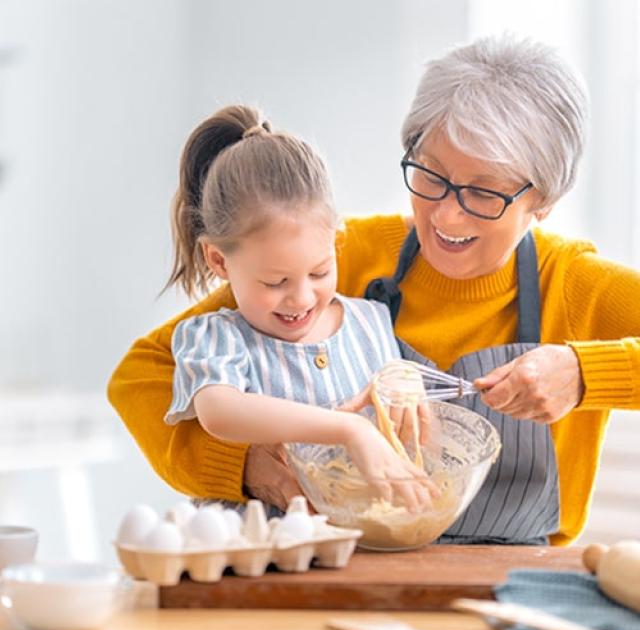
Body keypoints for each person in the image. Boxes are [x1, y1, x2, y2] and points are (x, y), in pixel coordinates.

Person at [108, 34, 640, 546]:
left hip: (509, 580)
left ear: (544, 200)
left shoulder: (573, 285)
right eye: (430, 175)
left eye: (483, 192)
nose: (447, 213)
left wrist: (586, 373)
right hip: (345, 565)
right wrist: (245, 467)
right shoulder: (336, 260)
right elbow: (141, 376)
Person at [159, 104, 432, 511]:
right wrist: (349, 430)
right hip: (257, 564)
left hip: (359, 556)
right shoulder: (215, 338)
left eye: (320, 272)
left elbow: (413, 432)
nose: (302, 298)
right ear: (219, 261)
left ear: (336, 240)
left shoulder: (372, 322)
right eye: (275, 282)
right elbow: (221, 412)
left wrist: (405, 383)